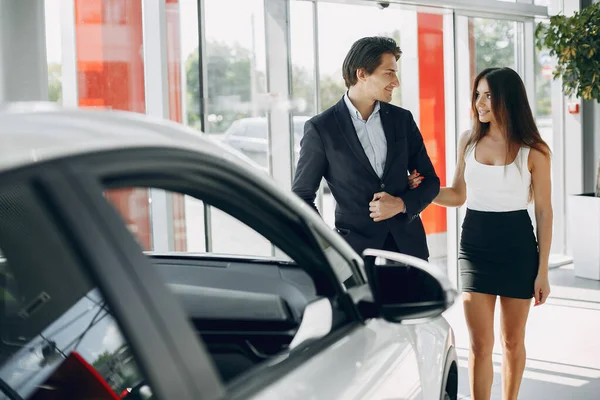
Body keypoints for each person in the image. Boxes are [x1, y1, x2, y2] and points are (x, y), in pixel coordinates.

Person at [408, 67, 552, 400]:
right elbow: (458, 194)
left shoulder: (535, 151)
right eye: (477, 95)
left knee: (513, 341)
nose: (479, 103)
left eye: (487, 95)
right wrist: (423, 192)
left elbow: (544, 212)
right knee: (479, 343)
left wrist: (542, 270)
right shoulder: (468, 141)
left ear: (508, 99)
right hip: (474, 247)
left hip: (518, 248)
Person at [292, 36, 440, 261]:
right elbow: (301, 197)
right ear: (362, 74)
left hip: (409, 251)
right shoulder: (322, 128)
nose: (396, 82)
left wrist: (401, 204)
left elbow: (431, 181)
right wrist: (329, 249)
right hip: (354, 256)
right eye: (389, 73)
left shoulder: (402, 120)